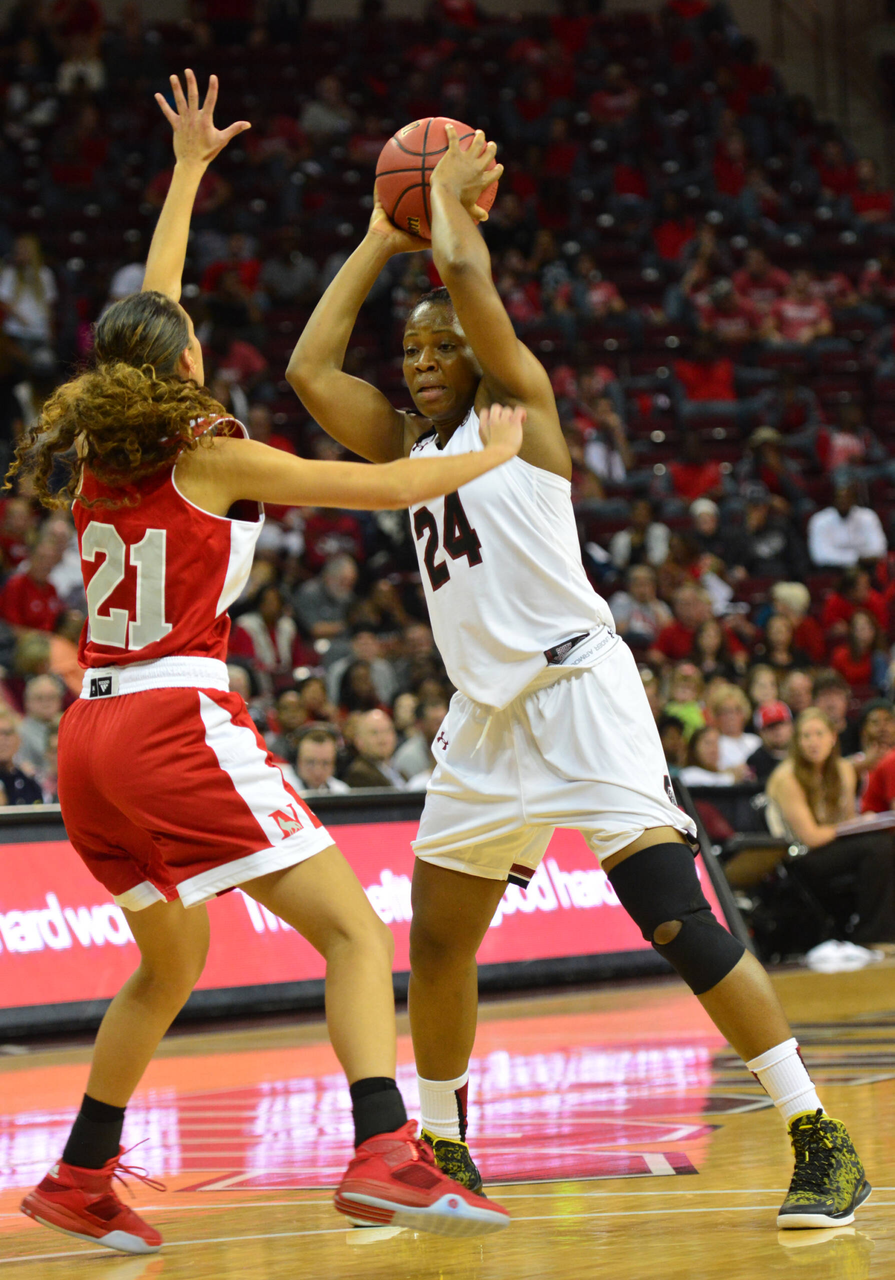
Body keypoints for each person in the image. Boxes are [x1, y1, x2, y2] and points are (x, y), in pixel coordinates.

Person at [288, 121, 868, 1228]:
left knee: (677, 920)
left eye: (437, 347)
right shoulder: (408, 450)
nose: (418, 361)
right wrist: (373, 237)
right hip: (484, 718)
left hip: (578, 694)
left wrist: (445, 204)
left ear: (477, 355)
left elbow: (467, 277)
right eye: (408, 350)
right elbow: (310, 371)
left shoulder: (525, 413)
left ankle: (818, 1134)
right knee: (439, 939)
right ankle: (446, 1144)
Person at [13, 73, 516, 1253]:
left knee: (169, 960)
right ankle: (384, 1150)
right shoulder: (211, 451)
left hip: (86, 742)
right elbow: (381, 486)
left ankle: (81, 1173)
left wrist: (187, 172)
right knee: (353, 933)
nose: (194, 328)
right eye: (188, 333)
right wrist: (486, 454)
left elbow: (152, 303)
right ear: (181, 365)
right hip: (171, 721)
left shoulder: (96, 450)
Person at [766, 709, 895, 943]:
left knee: (885, 843)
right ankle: (872, 935)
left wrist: (862, 824)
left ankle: (877, 930)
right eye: (806, 736)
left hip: (833, 847)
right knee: (878, 848)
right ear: (797, 742)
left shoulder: (844, 770)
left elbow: (847, 821)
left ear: (833, 737)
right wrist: (855, 825)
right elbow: (810, 837)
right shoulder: (787, 778)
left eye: (819, 734)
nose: (813, 742)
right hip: (800, 856)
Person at [808, 482, 887, 568]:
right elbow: (820, 556)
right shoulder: (820, 520)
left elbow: (880, 549)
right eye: (840, 498)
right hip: (833, 569)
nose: (843, 502)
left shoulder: (868, 516)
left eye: (847, 498)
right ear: (833, 500)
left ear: (854, 500)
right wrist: (856, 558)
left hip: (866, 567)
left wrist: (845, 556)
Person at [343, 708, 405, 789]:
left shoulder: (400, 771)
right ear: (359, 741)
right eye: (374, 733)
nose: (382, 738)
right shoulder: (360, 775)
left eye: (387, 731)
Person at [746, 700, 794, 784]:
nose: (777, 730)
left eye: (781, 724)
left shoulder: (802, 755)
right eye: (770, 726)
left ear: (791, 726)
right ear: (760, 732)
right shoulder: (754, 762)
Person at [294, 725, 350, 795]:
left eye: (326, 763)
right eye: (310, 762)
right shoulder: (284, 792)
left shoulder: (342, 791)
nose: (318, 772)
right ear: (298, 761)